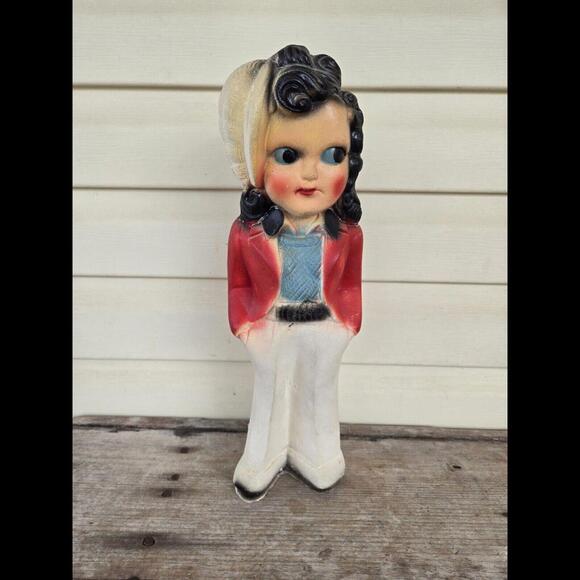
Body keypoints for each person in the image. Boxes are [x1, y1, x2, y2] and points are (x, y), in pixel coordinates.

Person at [219, 44, 364, 501]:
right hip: (271, 323)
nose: (311, 174)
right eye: (288, 155)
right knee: (270, 390)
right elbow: (239, 283)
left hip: (324, 322)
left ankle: (318, 456)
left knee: (320, 391)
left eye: (333, 154)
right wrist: (246, 327)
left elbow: (351, 283)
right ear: (255, 160)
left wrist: (347, 325)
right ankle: (263, 458)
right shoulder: (247, 234)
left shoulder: (347, 234)